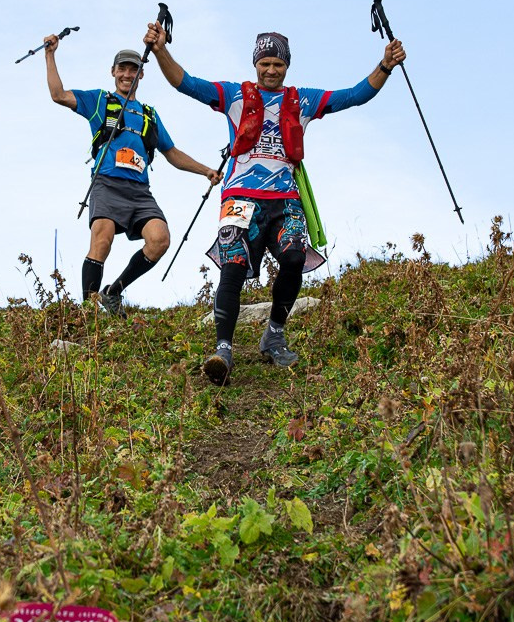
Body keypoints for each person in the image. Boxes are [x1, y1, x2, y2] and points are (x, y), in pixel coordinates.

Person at [143, 22, 406, 383]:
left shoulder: (303, 101)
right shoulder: (233, 95)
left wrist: (385, 66)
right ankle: (223, 349)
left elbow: (355, 95)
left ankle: (274, 335)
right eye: (264, 63)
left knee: (295, 257)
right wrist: (160, 50)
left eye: (277, 65)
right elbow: (184, 82)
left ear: (287, 67)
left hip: (285, 200)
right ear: (255, 65)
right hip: (239, 197)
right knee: (232, 267)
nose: (270, 70)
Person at [44, 34, 222, 317]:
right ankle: (88, 311)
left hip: (139, 191)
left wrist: (206, 171)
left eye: (133, 69)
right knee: (102, 239)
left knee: (160, 239)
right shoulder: (99, 101)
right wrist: (50, 54)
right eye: (122, 68)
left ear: (141, 75)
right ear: (113, 72)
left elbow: (171, 153)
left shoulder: (149, 114)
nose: (127, 74)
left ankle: (113, 293)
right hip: (106, 182)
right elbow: (58, 95)